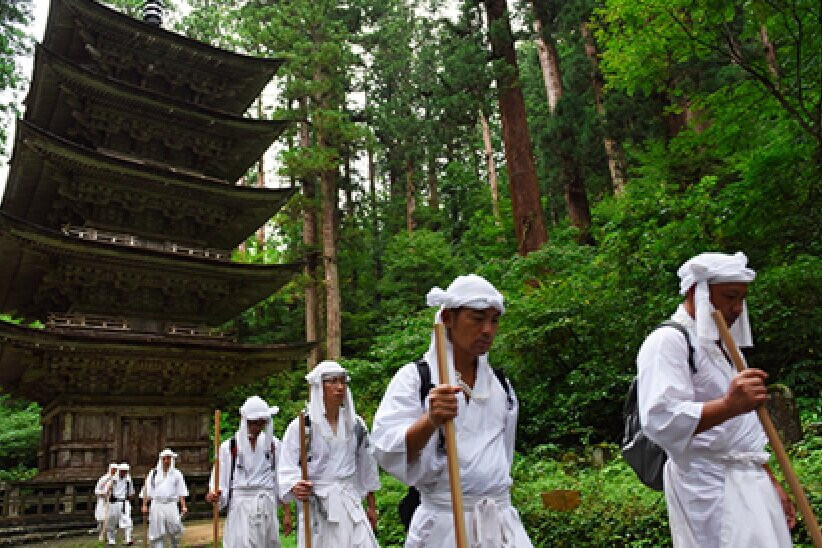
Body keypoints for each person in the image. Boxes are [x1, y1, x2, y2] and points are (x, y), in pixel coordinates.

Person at [637, 251, 795, 547]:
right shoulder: (667, 342)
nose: (737, 308)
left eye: (741, 299)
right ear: (700, 292)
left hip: (750, 480)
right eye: (729, 297)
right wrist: (728, 406)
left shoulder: (726, 348)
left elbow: (744, 430)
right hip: (707, 484)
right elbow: (661, 419)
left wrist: (771, 480)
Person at [372, 274, 533, 547]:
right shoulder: (416, 378)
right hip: (444, 524)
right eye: (477, 318)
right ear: (447, 318)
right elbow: (386, 448)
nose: (488, 330)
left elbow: (505, 451)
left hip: (500, 523)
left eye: (494, 320)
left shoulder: (500, 386)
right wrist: (431, 420)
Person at [279, 360, 381, 548]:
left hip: (351, 504)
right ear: (319, 387)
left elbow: (367, 466)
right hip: (318, 507)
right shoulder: (302, 426)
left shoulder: (356, 425)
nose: (339, 387)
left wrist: (371, 507)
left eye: (342, 381)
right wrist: (295, 485)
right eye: (332, 382)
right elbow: (286, 466)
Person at [206, 395, 293, 547]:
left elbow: (281, 480)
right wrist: (215, 494)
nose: (257, 428)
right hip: (240, 507)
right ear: (243, 420)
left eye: (261, 424)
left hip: (266, 506)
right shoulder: (229, 447)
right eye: (253, 423)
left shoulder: (274, 446)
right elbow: (220, 481)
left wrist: (286, 513)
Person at [141, 448, 188, 548]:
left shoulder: (177, 474)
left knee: (175, 528)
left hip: (171, 504)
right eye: (164, 459)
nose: (166, 461)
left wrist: (183, 505)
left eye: (168, 458)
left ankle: (174, 545)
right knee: (157, 532)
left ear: (172, 460)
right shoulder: (153, 473)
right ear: (161, 460)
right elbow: (147, 490)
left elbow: (181, 490)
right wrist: (144, 505)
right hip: (157, 504)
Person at [106, 462, 135, 545]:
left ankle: (128, 539)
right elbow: (107, 490)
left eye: (125, 471)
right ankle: (111, 539)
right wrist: (109, 489)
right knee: (112, 521)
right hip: (114, 502)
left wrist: (128, 499)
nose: (123, 473)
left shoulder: (128, 480)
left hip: (124, 502)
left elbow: (131, 492)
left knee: (127, 521)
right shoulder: (113, 479)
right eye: (122, 471)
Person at [94, 463, 119, 540]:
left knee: (112, 518)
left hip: (113, 501)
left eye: (115, 470)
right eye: (113, 469)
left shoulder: (118, 480)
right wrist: (104, 493)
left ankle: (111, 537)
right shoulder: (104, 479)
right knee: (102, 518)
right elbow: (97, 491)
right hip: (103, 501)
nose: (114, 471)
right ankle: (101, 534)